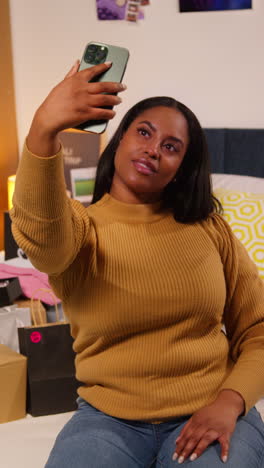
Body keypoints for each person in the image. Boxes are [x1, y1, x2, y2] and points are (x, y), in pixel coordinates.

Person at [10, 60, 264, 468]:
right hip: (108, 421)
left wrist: (230, 402)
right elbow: (42, 241)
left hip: (212, 409)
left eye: (171, 146)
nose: (153, 149)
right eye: (144, 132)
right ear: (120, 138)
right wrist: (43, 129)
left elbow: (257, 330)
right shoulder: (80, 229)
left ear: (182, 168)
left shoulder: (211, 230)